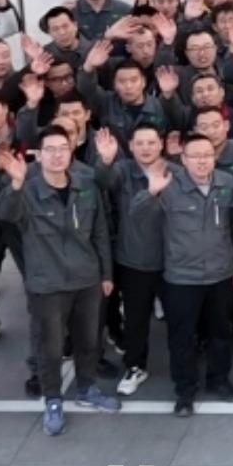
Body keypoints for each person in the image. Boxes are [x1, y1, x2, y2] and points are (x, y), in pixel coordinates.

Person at [0, 125, 121, 435]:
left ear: (71, 151)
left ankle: (87, 387)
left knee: (88, 341)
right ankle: (52, 398)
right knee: (49, 347)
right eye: (49, 149)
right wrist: (16, 183)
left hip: (86, 279)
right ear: (38, 155)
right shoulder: (27, 189)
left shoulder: (86, 185)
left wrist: (105, 274)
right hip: (47, 284)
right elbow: (6, 215)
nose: (56, 155)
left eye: (62, 148)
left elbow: (100, 232)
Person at [137, 132, 233, 416]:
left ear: (215, 157)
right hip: (181, 277)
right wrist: (151, 193)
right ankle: (185, 391)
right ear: (183, 159)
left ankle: (219, 380)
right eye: (194, 156)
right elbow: (137, 217)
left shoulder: (227, 183)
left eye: (207, 155)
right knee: (182, 338)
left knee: (220, 332)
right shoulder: (168, 185)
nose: (201, 161)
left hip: (220, 273)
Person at [92, 124, 175, 396]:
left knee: (181, 319)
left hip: (173, 262)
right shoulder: (122, 170)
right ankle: (135, 366)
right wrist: (105, 160)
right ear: (130, 146)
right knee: (136, 320)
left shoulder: (176, 172)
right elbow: (104, 180)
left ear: (161, 144)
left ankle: (183, 367)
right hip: (133, 261)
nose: (146, 148)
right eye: (139, 143)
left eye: (151, 142)